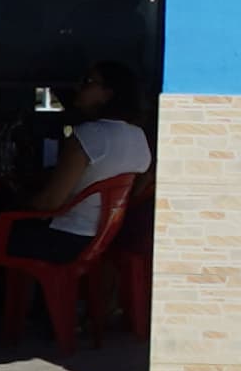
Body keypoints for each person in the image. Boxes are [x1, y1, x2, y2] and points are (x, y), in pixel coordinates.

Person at [10, 62, 151, 264]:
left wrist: (17, 202)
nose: (78, 87)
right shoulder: (138, 136)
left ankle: (7, 295)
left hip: (64, 239)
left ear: (108, 94)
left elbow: (50, 202)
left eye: (88, 82)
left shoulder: (88, 135)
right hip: (102, 240)